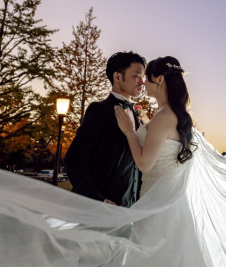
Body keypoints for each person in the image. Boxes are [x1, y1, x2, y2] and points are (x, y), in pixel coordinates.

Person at [63, 51, 147, 207]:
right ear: (117, 77)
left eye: (143, 76)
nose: (142, 82)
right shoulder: (100, 110)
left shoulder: (138, 116)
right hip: (100, 210)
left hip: (132, 209)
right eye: (136, 76)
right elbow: (74, 160)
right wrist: (98, 201)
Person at [113, 56, 195, 196]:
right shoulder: (174, 113)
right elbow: (163, 139)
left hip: (156, 198)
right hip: (169, 196)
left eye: (147, 77)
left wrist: (129, 131)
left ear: (160, 80)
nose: (143, 83)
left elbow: (144, 164)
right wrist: (145, 120)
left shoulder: (163, 116)